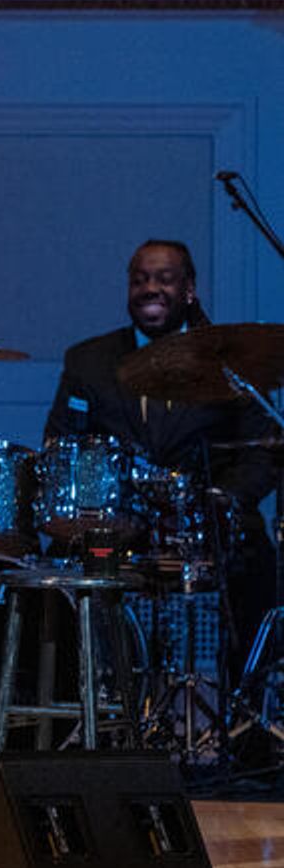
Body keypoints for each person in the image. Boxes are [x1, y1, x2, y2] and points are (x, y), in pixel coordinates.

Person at [43, 239, 277, 688]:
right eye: (139, 279)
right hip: (121, 526)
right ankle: (89, 711)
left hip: (205, 524)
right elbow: (60, 442)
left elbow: (260, 452)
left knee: (257, 558)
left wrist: (220, 500)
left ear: (189, 289)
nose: (150, 288)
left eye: (164, 279)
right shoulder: (89, 361)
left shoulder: (231, 361)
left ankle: (247, 716)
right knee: (57, 567)